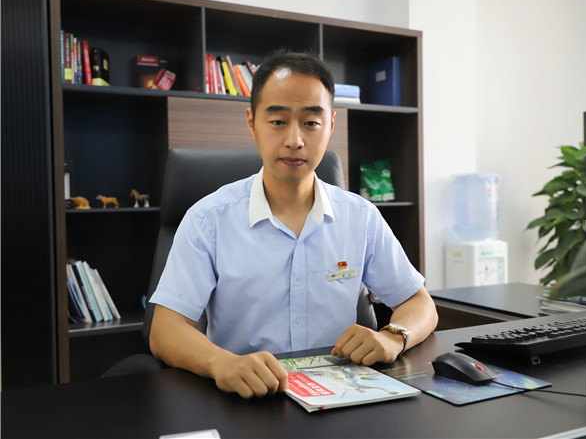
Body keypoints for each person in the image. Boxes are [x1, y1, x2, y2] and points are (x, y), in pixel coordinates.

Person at [148, 50, 438, 399]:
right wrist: (221, 363)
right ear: (252, 122)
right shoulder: (208, 219)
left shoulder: (359, 217)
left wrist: (393, 336)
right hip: (247, 396)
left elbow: (420, 303)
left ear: (331, 125)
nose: (294, 140)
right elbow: (165, 330)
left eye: (311, 122)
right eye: (278, 121)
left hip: (343, 395)